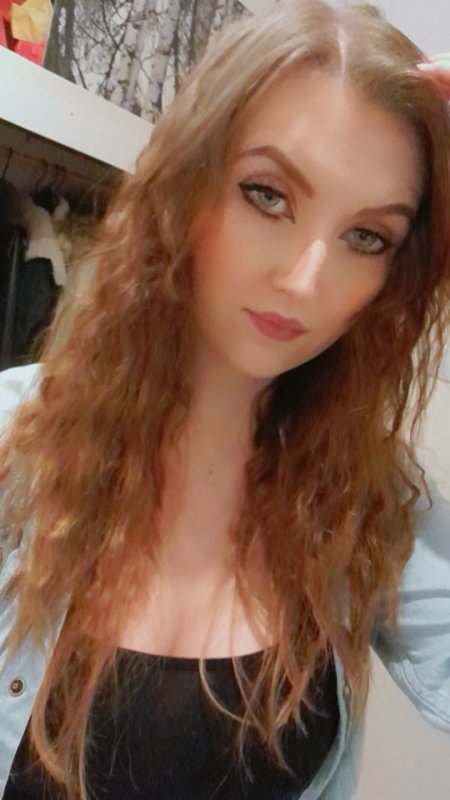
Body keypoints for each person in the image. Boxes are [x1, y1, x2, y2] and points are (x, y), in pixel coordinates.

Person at [1, 1, 450, 798]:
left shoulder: (371, 508)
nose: (305, 280)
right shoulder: (13, 442)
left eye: (366, 237)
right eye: (268, 195)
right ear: (187, 180)